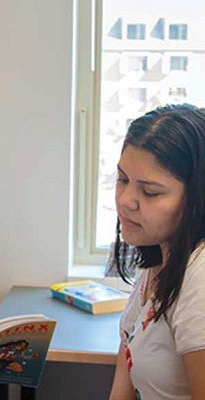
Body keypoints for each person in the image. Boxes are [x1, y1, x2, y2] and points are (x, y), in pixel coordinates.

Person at [108, 104, 205, 400]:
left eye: (149, 192)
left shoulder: (199, 278)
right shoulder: (155, 258)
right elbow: (123, 381)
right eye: (122, 179)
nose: (125, 201)